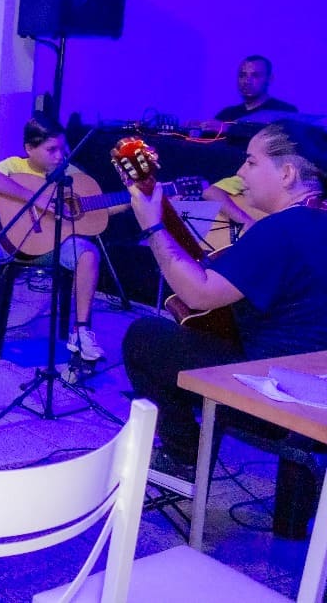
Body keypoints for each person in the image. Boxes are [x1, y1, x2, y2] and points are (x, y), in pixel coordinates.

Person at [122, 119, 327, 485]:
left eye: (251, 162)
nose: (240, 172)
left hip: (273, 393)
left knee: (144, 337)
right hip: (318, 389)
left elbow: (198, 293)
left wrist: (153, 226)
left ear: (287, 174)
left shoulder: (280, 230)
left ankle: (184, 458)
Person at [0, 112, 105, 361]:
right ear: (29, 148)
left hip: (55, 246)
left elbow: (97, 206)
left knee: (89, 254)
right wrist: (36, 199)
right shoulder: (15, 166)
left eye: (62, 149)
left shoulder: (69, 173)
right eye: (51, 150)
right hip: (15, 242)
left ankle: (80, 331)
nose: (59, 156)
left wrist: (136, 199)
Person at [214, 55, 297, 124]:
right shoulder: (226, 115)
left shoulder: (285, 112)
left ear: (270, 79)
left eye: (255, 76)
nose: (247, 81)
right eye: (242, 75)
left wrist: (229, 129)